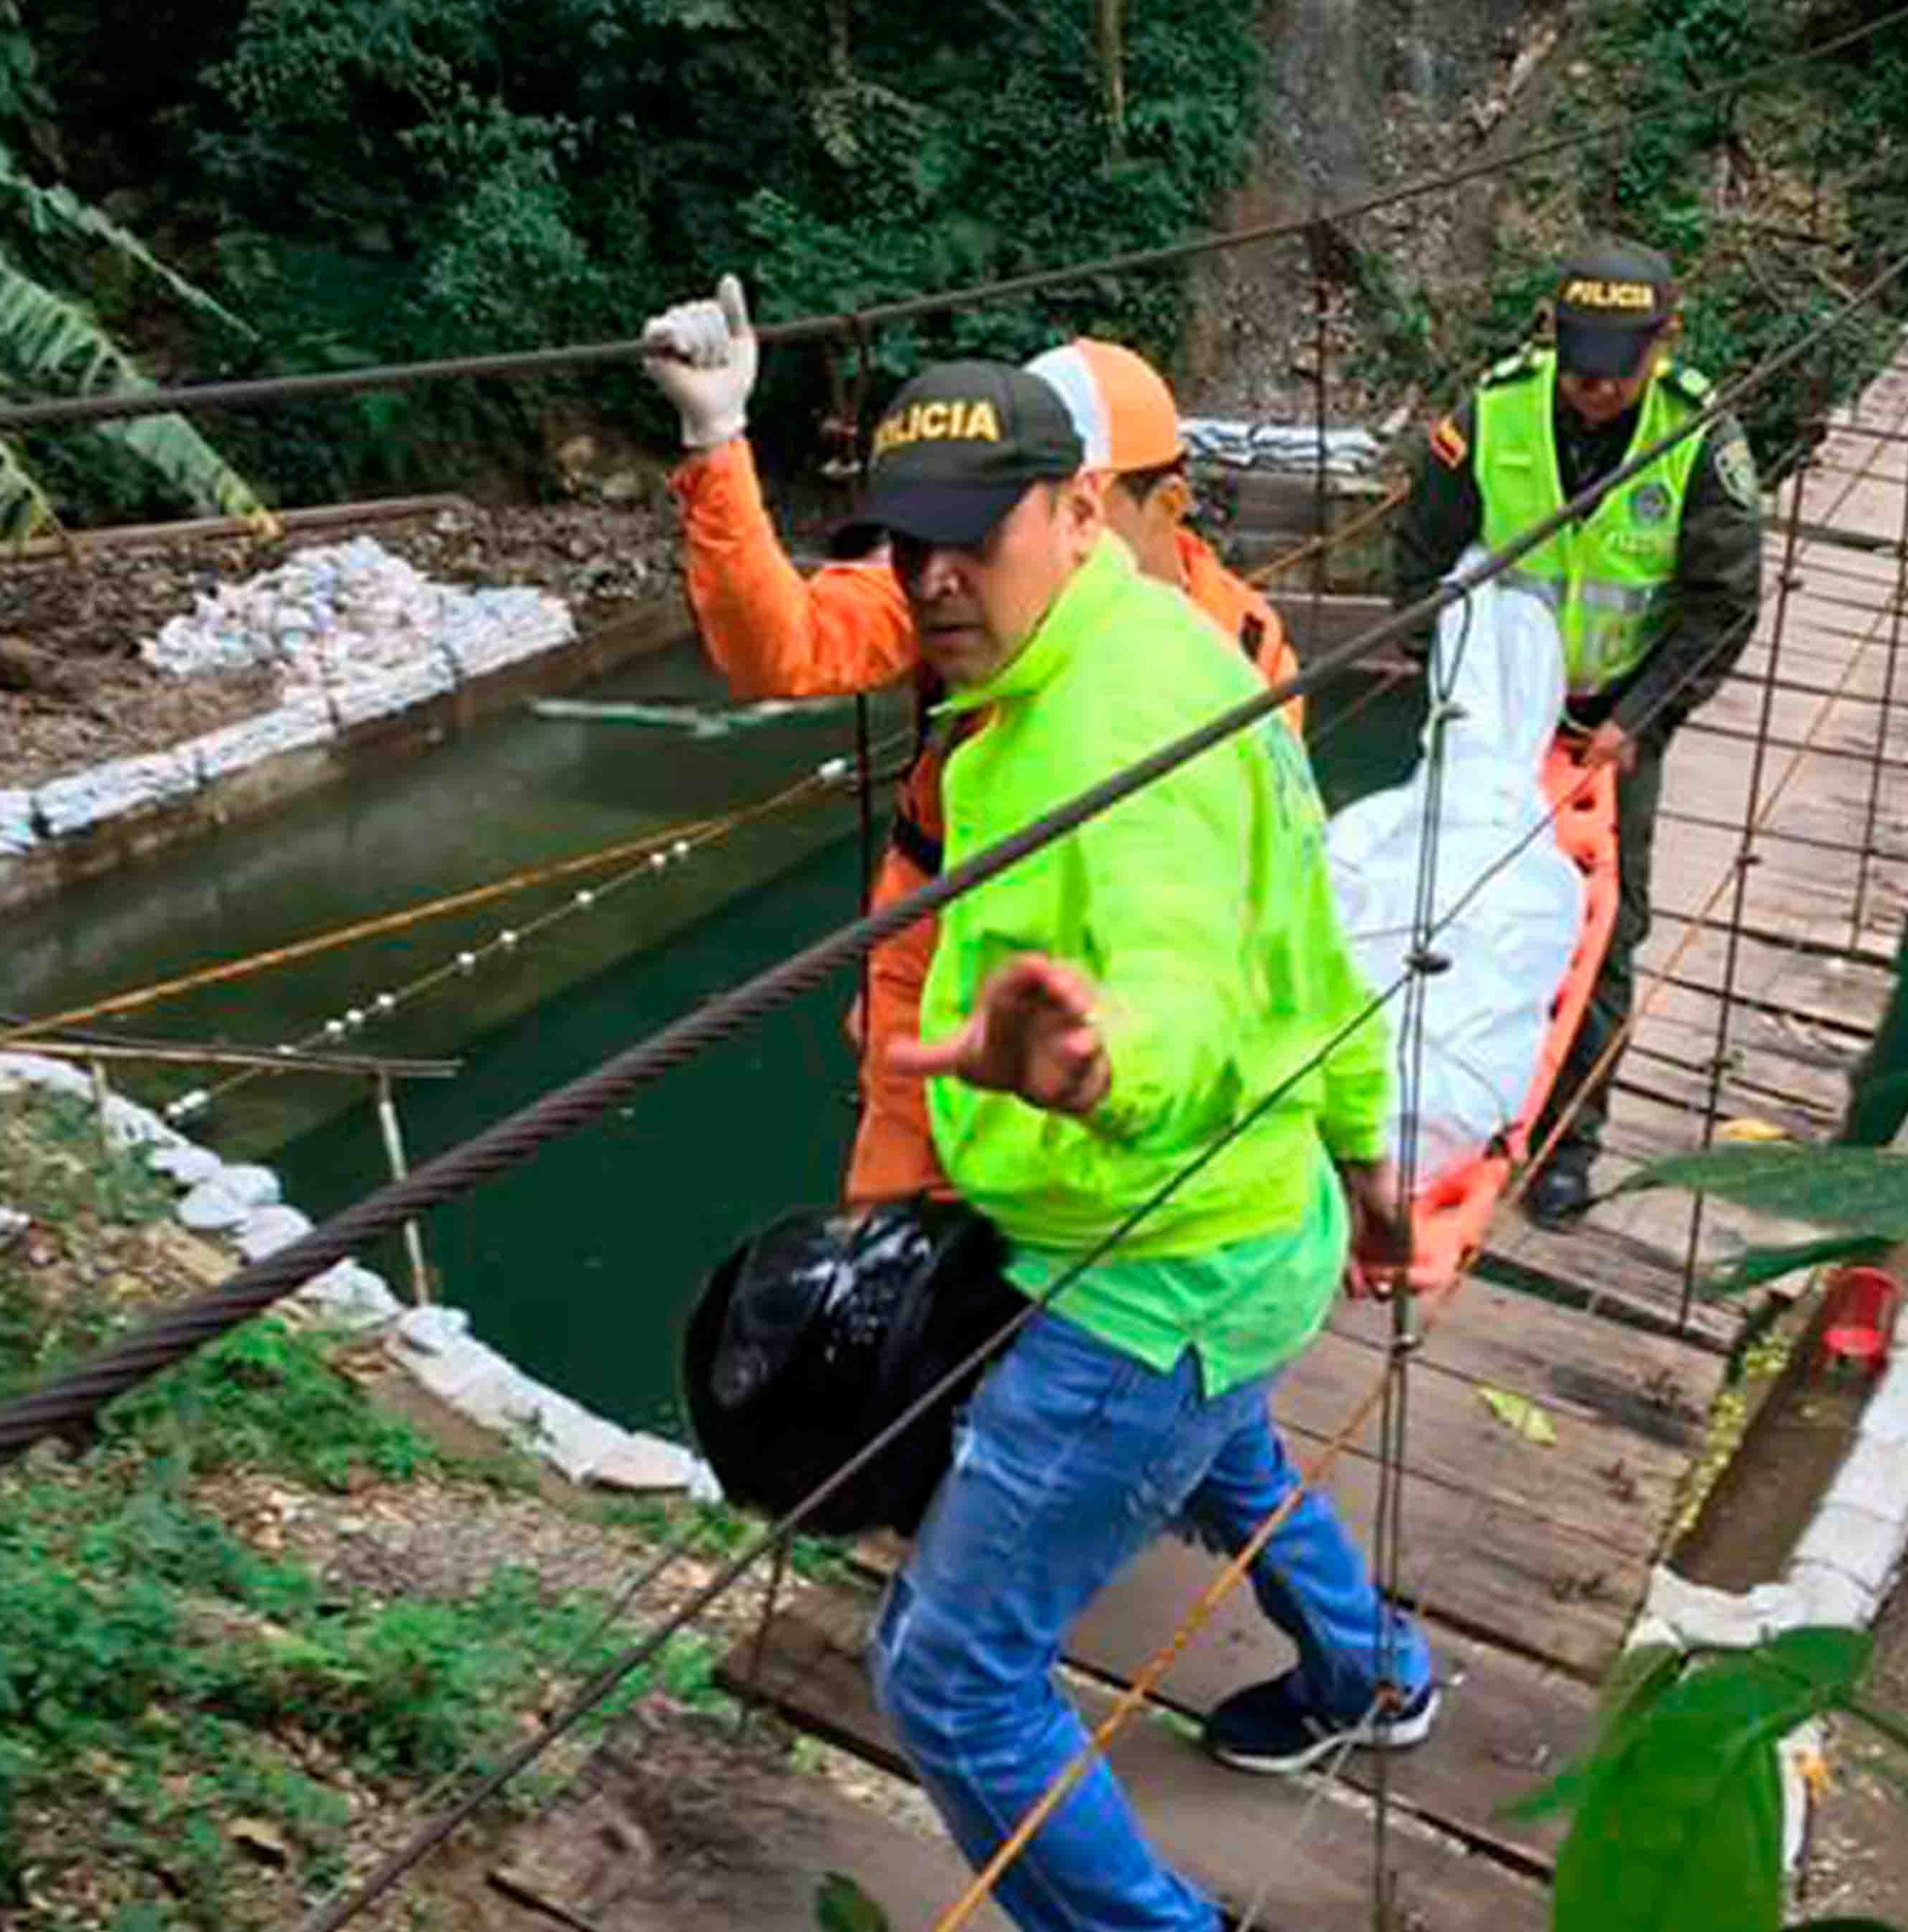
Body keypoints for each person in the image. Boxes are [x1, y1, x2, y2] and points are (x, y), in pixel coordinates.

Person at [844, 357, 1436, 1932]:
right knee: (1225, 1450)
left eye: (976, 533)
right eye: (907, 542)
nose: (935, 577)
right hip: (1255, 1225)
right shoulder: (1172, 652)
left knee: (950, 1672)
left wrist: (1104, 1078)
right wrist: (1371, 1174)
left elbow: (1169, 985)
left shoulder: (1105, 743)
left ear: (1077, 506)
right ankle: (1377, 1669)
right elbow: (1303, 937)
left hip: (1143, 1263)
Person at [640, 277, 1300, 1209]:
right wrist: (718, 440)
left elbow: (1263, 887)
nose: (1009, 548)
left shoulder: (1242, 651)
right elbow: (780, 645)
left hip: (1120, 994)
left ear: (1150, 504)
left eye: (1063, 507)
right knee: (898, 1244)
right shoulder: (957, 593)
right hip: (944, 958)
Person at [1391, 238, 1763, 1230]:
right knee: (1448, 905)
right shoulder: (1491, 416)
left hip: (1617, 715)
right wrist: (1463, 693)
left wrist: (1642, 719)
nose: (1595, 390)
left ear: (1665, 343)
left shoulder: (1697, 438)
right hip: (1494, 713)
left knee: (1609, 929)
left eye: (1618, 370)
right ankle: (1437, 1116)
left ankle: (1566, 1142)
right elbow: (1418, 569)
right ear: (1551, 336)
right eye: (1580, 365)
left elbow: (1723, 603)